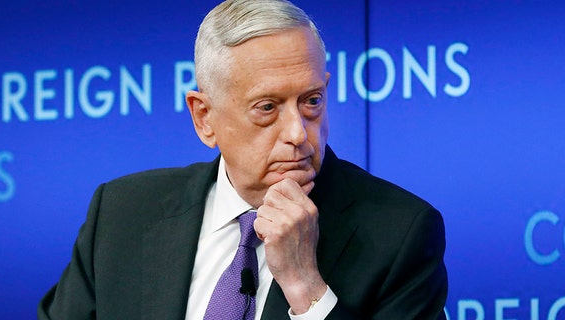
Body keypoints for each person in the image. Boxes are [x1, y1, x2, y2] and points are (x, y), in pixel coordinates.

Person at [38, 0, 448, 319]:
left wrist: (307, 288)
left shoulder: (400, 234)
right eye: (267, 107)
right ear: (204, 118)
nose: (297, 133)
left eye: (311, 102)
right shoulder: (122, 214)